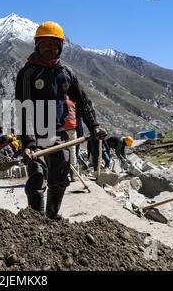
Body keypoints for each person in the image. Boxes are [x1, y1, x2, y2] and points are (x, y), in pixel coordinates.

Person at [15, 21, 107, 219]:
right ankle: (36, 221)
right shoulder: (28, 73)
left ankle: (51, 216)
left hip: (57, 133)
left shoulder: (66, 72)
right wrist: (29, 143)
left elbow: (82, 101)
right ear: (37, 45)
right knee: (37, 176)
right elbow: (24, 110)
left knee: (61, 174)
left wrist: (94, 126)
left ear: (61, 46)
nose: (50, 47)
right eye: (45, 43)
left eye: (54, 44)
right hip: (34, 135)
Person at [64, 95, 78, 182]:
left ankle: (64, 174)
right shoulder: (72, 103)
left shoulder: (61, 103)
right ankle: (73, 175)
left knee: (63, 152)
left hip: (64, 129)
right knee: (72, 151)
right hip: (73, 129)